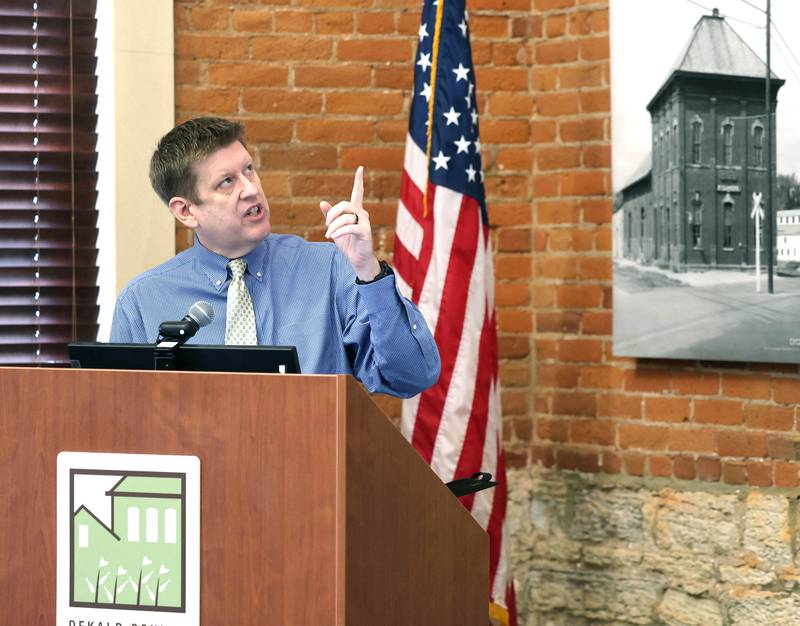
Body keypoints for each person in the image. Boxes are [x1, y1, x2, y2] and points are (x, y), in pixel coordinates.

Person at [110, 117, 440, 398]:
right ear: (186, 211)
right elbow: (126, 421)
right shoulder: (142, 301)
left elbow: (412, 376)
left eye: (249, 170)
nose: (251, 188)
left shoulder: (330, 270)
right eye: (227, 182)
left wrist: (368, 271)